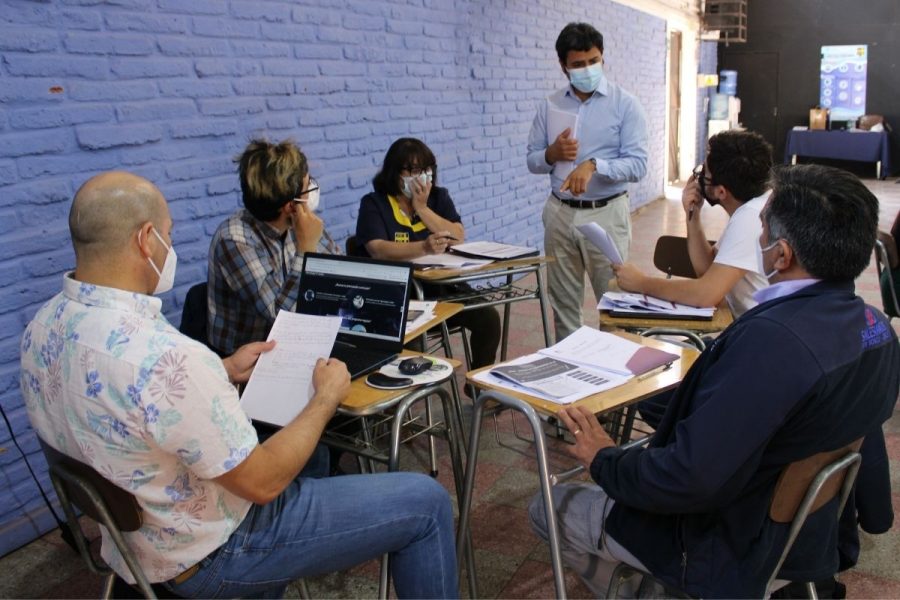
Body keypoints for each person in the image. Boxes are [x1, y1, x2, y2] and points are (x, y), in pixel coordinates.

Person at [20, 172, 458, 598]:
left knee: (307, 459)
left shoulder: (42, 328)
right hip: (213, 552)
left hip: (132, 542)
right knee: (426, 502)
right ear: (145, 239)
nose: (169, 247)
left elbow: (132, 401)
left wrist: (223, 368)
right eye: (168, 236)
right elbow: (264, 483)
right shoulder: (166, 356)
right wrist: (325, 398)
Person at [528, 165, 899, 598]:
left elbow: (687, 480)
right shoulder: (876, 328)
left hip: (727, 545)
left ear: (781, 255)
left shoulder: (774, 344)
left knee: (548, 507)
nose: (752, 238)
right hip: (807, 536)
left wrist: (605, 459)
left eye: (761, 228)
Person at [527, 22, 649, 341]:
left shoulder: (626, 105)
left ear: (602, 57)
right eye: (578, 64)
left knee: (613, 303)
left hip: (606, 214)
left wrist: (594, 165)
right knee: (564, 305)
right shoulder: (551, 104)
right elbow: (532, 160)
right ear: (563, 66)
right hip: (560, 213)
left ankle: (617, 381)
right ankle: (571, 374)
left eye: (593, 61)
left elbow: (638, 165)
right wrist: (551, 154)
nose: (587, 69)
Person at [354, 137, 501, 369]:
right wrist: (423, 247)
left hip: (441, 290)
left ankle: (478, 388)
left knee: (488, 318)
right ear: (395, 172)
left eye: (426, 169)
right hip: (400, 296)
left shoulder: (438, 198)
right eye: (413, 169)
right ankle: (406, 397)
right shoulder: (375, 204)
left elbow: (458, 235)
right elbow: (378, 249)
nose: (421, 175)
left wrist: (422, 208)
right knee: (414, 342)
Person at [614, 130, 771, 317]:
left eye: (705, 174)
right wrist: (693, 216)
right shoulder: (754, 205)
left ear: (721, 192)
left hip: (758, 336)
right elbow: (706, 270)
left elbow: (706, 294)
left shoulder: (751, 219)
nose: (699, 178)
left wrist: (641, 283)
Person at [207, 139, 325, 356]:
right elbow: (281, 318)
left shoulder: (299, 223)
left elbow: (340, 278)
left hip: (297, 346)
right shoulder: (234, 240)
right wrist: (307, 249)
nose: (312, 191)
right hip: (247, 364)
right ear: (291, 206)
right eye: (308, 185)